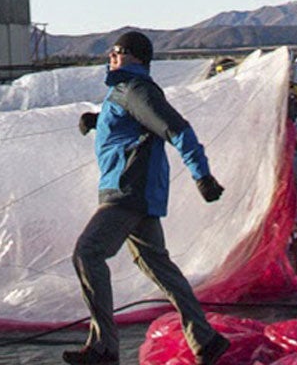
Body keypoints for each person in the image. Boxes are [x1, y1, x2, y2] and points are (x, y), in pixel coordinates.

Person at [65, 31, 229, 365]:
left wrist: (203, 175)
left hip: (127, 191)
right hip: (133, 191)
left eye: (118, 51)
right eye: (110, 51)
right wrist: (98, 121)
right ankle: (206, 340)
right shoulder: (123, 92)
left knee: (88, 253)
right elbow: (134, 125)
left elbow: (176, 128)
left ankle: (104, 348)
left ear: (136, 57)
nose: (111, 56)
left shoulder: (136, 89)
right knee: (159, 267)